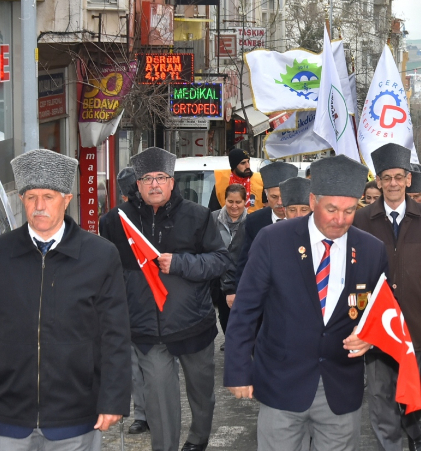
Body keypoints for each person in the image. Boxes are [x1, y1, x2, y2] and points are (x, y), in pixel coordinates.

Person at [223, 155, 390, 451]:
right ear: (313, 201)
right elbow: (246, 309)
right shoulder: (273, 240)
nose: (341, 219)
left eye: (350, 211)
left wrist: (370, 338)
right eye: (332, 209)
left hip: (341, 387)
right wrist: (238, 370)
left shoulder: (371, 250)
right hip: (281, 382)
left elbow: (383, 311)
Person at [0, 149, 131, 450]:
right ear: (21, 200)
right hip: (7, 416)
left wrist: (113, 399)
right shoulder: (0, 254)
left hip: (75, 414)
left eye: (48, 196)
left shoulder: (100, 255)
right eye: (31, 197)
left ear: (67, 200)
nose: (39, 206)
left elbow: (115, 335)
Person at [99, 147, 230, 451]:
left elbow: (220, 261)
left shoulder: (198, 216)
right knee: (158, 401)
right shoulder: (115, 222)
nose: (155, 184)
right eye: (148, 178)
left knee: (202, 396)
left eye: (161, 177)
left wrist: (182, 263)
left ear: (172, 182)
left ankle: (198, 440)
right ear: (138, 183)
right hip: (146, 329)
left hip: (193, 324)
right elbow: (104, 270)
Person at [353, 144, 421, 451]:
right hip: (377, 331)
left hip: (418, 328)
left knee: (412, 398)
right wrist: (358, 321)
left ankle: (412, 429)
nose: (393, 183)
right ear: (379, 181)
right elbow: (353, 277)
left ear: (409, 180)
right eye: (387, 178)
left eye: (399, 177)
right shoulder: (360, 221)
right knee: (381, 402)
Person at [104, 166, 148, 435]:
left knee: (139, 361)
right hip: (134, 293)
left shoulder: (108, 219)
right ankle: (147, 412)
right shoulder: (111, 220)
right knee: (145, 360)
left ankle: (145, 413)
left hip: (133, 293)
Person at [228, 161, 298, 298]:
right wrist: (236, 291)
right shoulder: (255, 221)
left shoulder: (303, 219)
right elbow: (243, 260)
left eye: (283, 197)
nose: (280, 202)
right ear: (266, 195)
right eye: (274, 197)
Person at [211, 183, 248, 334]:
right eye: (230, 201)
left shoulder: (251, 222)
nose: (234, 206)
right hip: (217, 279)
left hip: (241, 279)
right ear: (224, 200)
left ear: (245, 202)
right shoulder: (213, 219)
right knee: (224, 316)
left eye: (238, 202)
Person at [208, 148, 264, 213]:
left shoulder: (260, 180)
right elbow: (213, 211)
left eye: (248, 161)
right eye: (243, 163)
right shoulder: (221, 182)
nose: (248, 166)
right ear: (234, 166)